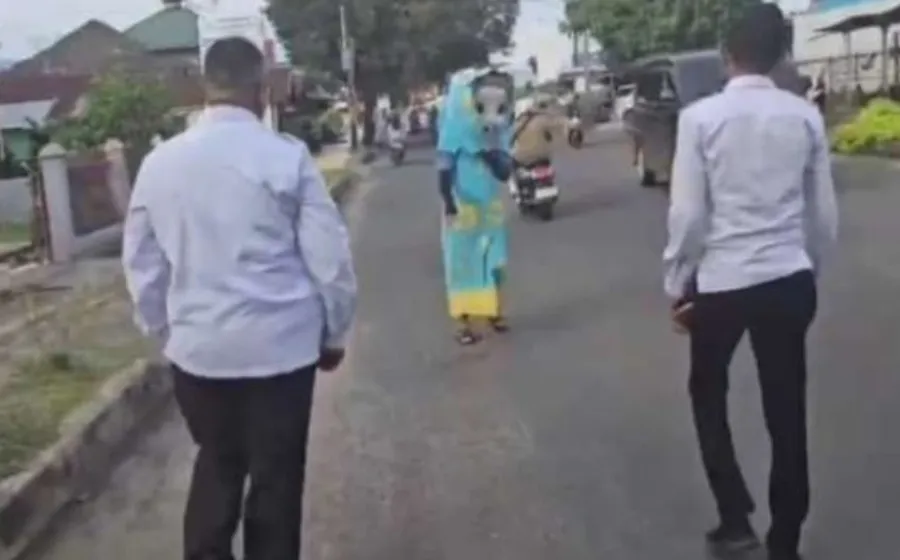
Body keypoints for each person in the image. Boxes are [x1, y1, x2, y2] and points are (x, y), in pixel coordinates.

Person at [122, 37, 357, 560]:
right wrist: (334, 332)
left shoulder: (159, 164)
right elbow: (330, 259)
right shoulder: (286, 158)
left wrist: (167, 330)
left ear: (206, 86)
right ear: (261, 86)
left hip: (200, 354)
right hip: (282, 353)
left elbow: (141, 261)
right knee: (276, 479)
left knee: (218, 461)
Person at [662, 5, 838, 560]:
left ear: (725, 53)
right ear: (782, 54)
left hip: (723, 281)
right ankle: (786, 540)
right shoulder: (804, 117)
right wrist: (808, 267)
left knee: (707, 391)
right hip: (788, 277)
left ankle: (735, 517)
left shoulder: (700, 119)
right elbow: (823, 214)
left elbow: (689, 216)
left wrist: (677, 281)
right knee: (786, 409)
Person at [437, 68, 514, 344]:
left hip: (489, 211)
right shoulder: (451, 135)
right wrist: (449, 204)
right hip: (462, 210)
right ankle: (465, 324)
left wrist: (489, 150)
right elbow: (444, 173)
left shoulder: (495, 132)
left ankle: (495, 313)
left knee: (493, 261)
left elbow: (505, 172)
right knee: (463, 265)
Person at [509, 94, 563, 197]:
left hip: (526, 157)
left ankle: (516, 190)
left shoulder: (518, 123)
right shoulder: (542, 119)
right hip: (544, 157)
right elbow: (550, 136)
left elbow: (510, 138)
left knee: (512, 165)